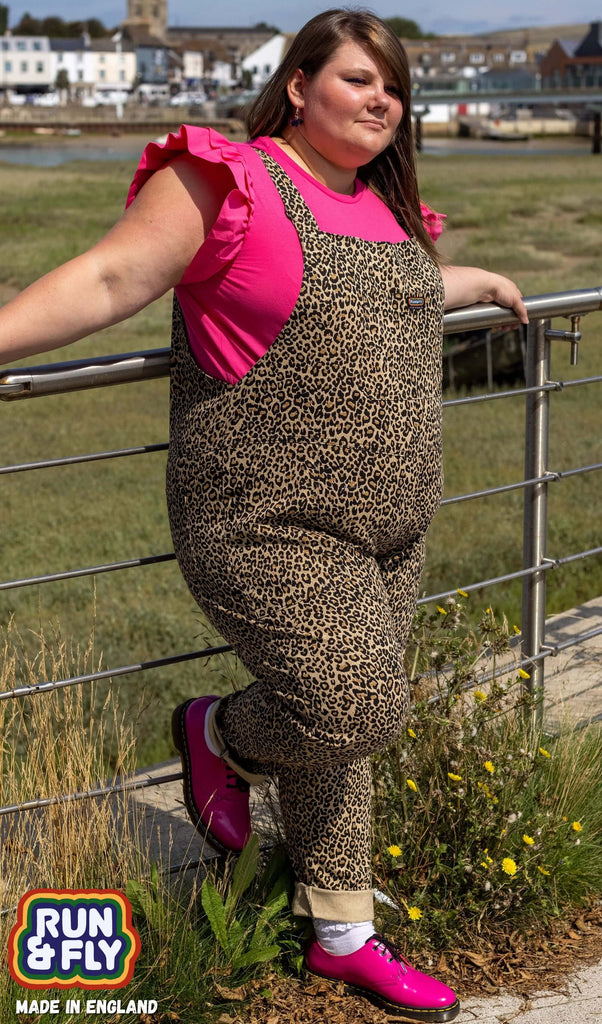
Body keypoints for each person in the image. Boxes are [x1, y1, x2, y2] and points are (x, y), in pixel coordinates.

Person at [0, 9, 528, 1019]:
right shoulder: (231, 180)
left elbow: (391, 301)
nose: (383, 102)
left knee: (346, 733)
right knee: (352, 704)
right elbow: (112, 275)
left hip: (389, 522)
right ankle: (217, 737)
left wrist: (473, 281)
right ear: (296, 85)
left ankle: (340, 935)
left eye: (394, 89)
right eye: (359, 80)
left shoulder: (382, 204)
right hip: (263, 518)